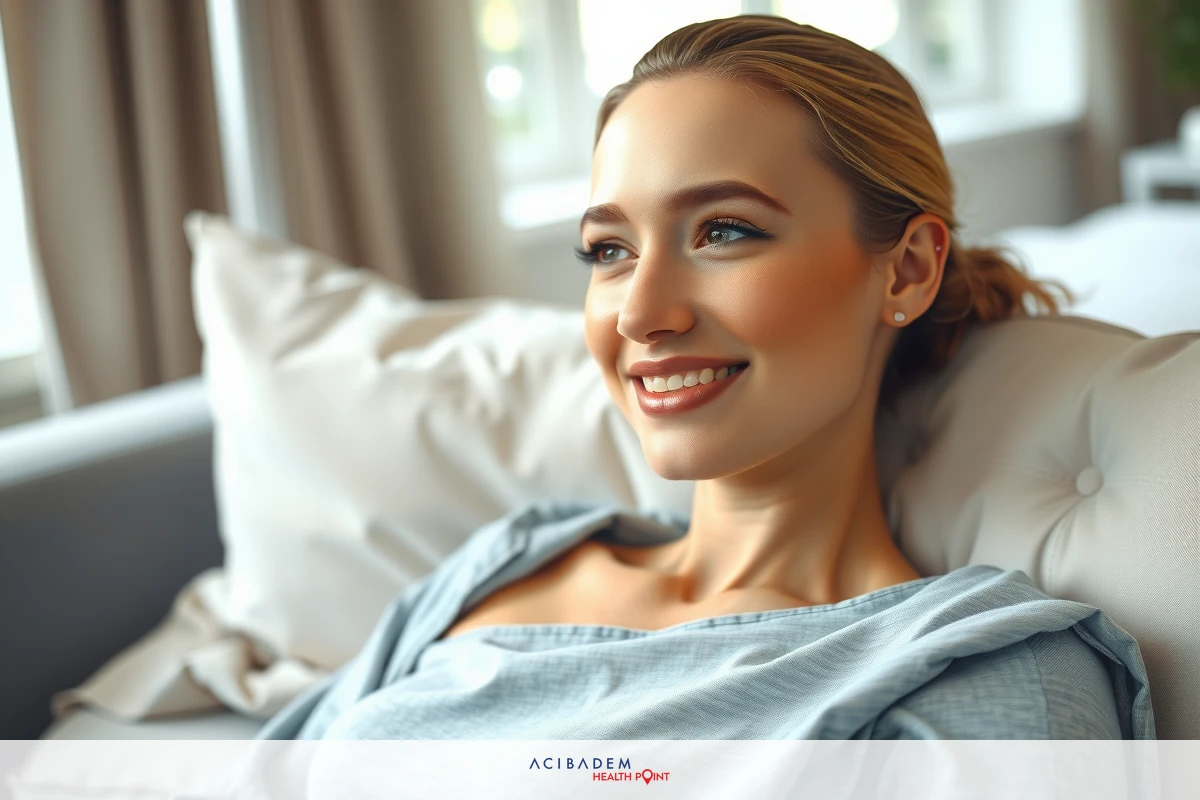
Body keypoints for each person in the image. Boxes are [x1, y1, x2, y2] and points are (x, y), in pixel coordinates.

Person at [256, 15, 1154, 740]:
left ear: (907, 270)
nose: (640, 314)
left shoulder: (977, 672)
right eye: (608, 250)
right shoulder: (509, 559)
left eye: (723, 231)